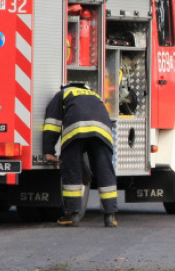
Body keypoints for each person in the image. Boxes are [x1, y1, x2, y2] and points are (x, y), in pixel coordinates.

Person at [42, 81, 118, 227]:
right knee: (105, 171)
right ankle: (110, 216)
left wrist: (49, 151)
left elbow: (53, 124)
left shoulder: (63, 94)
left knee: (71, 170)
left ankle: (72, 215)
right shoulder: (94, 95)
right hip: (103, 133)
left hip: (76, 130)